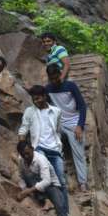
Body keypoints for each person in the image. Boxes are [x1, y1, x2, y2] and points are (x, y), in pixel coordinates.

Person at [18, 85, 68, 213]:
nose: (36, 101)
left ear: (45, 96)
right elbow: (23, 130)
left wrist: (59, 147)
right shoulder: (30, 111)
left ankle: (64, 211)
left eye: (39, 98)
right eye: (34, 99)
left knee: (61, 181)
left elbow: (58, 131)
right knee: (40, 176)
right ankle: (45, 201)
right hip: (38, 148)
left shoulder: (56, 111)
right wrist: (22, 149)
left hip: (55, 150)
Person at [17, 139, 70, 216]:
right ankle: (44, 200)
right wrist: (23, 188)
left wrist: (27, 191)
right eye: (23, 154)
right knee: (29, 175)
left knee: (60, 206)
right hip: (34, 183)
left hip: (51, 185)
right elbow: (21, 176)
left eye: (27, 153)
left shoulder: (41, 159)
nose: (26, 156)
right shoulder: (21, 160)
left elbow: (47, 181)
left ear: (32, 149)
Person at [45, 63, 88, 192]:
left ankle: (83, 183)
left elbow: (82, 106)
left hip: (74, 123)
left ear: (60, 74)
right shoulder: (48, 89)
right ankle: (58, 180)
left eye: (56, 77)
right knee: (52, 147)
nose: (54, 81)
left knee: (79, 153)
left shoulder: (70, 86)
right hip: (60, 123)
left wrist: (80, 126)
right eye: (51, 78)